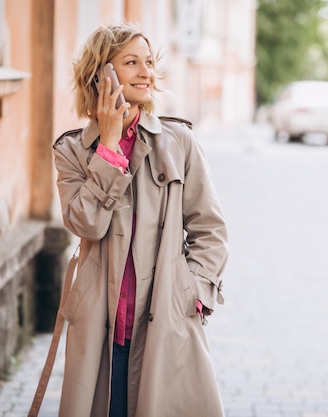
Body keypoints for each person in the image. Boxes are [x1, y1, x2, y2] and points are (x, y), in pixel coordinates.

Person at [52, 23, 228, 417]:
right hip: (103, 328)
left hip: (166, 321)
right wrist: (109, 148)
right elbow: (87, 224)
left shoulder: (179, 143)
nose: (147, 72)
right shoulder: (72, 152)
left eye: (149, 62)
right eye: (132, 62)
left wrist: (193, 291)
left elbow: (210, 230)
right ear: (102, 75)